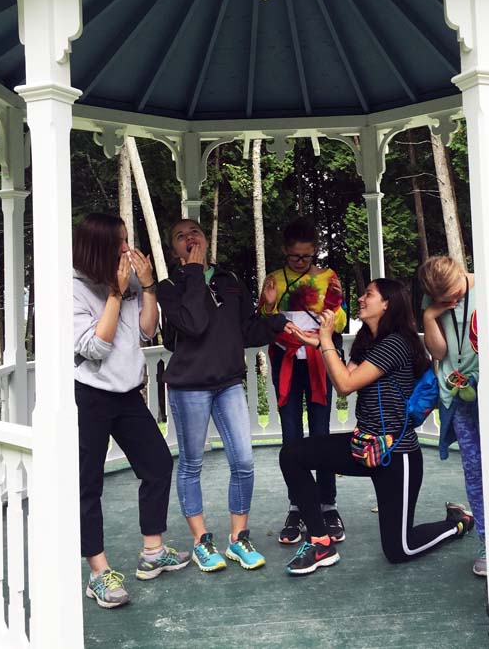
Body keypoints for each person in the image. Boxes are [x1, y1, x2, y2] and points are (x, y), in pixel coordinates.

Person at [279, 278, 474, 576]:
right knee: (293, 454)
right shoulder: (367, 342)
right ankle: (319, 541)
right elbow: (345, 374)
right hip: (364, 447)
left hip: (397, 456)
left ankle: (457, 523)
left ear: (387, 303)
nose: (360, 298)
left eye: (368, 294)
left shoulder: (394, 344)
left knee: (399, 549)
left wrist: (327, 340)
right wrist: (320, 342)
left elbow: (344, 386)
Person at [157, 218, 292, 574]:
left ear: (206, 239)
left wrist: (273, 314)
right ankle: (202, 542)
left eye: (195, 232)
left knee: (244, 461)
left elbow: (247, 331)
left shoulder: (229, 281)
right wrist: (193, 274)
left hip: (229, 383)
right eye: (180, 236)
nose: (190, 238)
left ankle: (238, 538)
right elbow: (193, 324)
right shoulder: (169, 287)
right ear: (174, 250)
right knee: (191, 465)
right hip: (190, 387)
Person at [73, 213, 190, 610]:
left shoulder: (129, 281)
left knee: (157, 463)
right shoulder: (73, 288)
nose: (127, 249)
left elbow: (146, 331)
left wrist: (149, 286)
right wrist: (114, 293)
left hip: (126, 393)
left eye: (127, 240)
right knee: (88, 485)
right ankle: (98, 572)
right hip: (89, 395)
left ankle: (153, 551)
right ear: (98, 247)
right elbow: (95, 348)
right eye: (120, 242)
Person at [259, 217, 347, 545]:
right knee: (291, 435)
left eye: (306, 257)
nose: (300, 262)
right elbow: (263, 323)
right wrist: (268, 305)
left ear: (315, 253)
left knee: (321, 434)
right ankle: (297, 505)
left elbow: (339, 321)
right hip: (286, 362)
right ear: (285, 251)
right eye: (294, 256)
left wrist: (328, 316)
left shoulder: (328, 278)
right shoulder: (274, 279)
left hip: (318, 360)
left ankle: (327, 504)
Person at [420, 256, 486, 578]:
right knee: (473, 470)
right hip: (455, 397)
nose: (454, 301)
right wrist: (431, 315)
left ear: (463, 272)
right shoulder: (433, 303)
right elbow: (439, 353)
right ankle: (487, 542)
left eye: (456, 293)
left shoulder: (488, 285)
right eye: (445, 300)